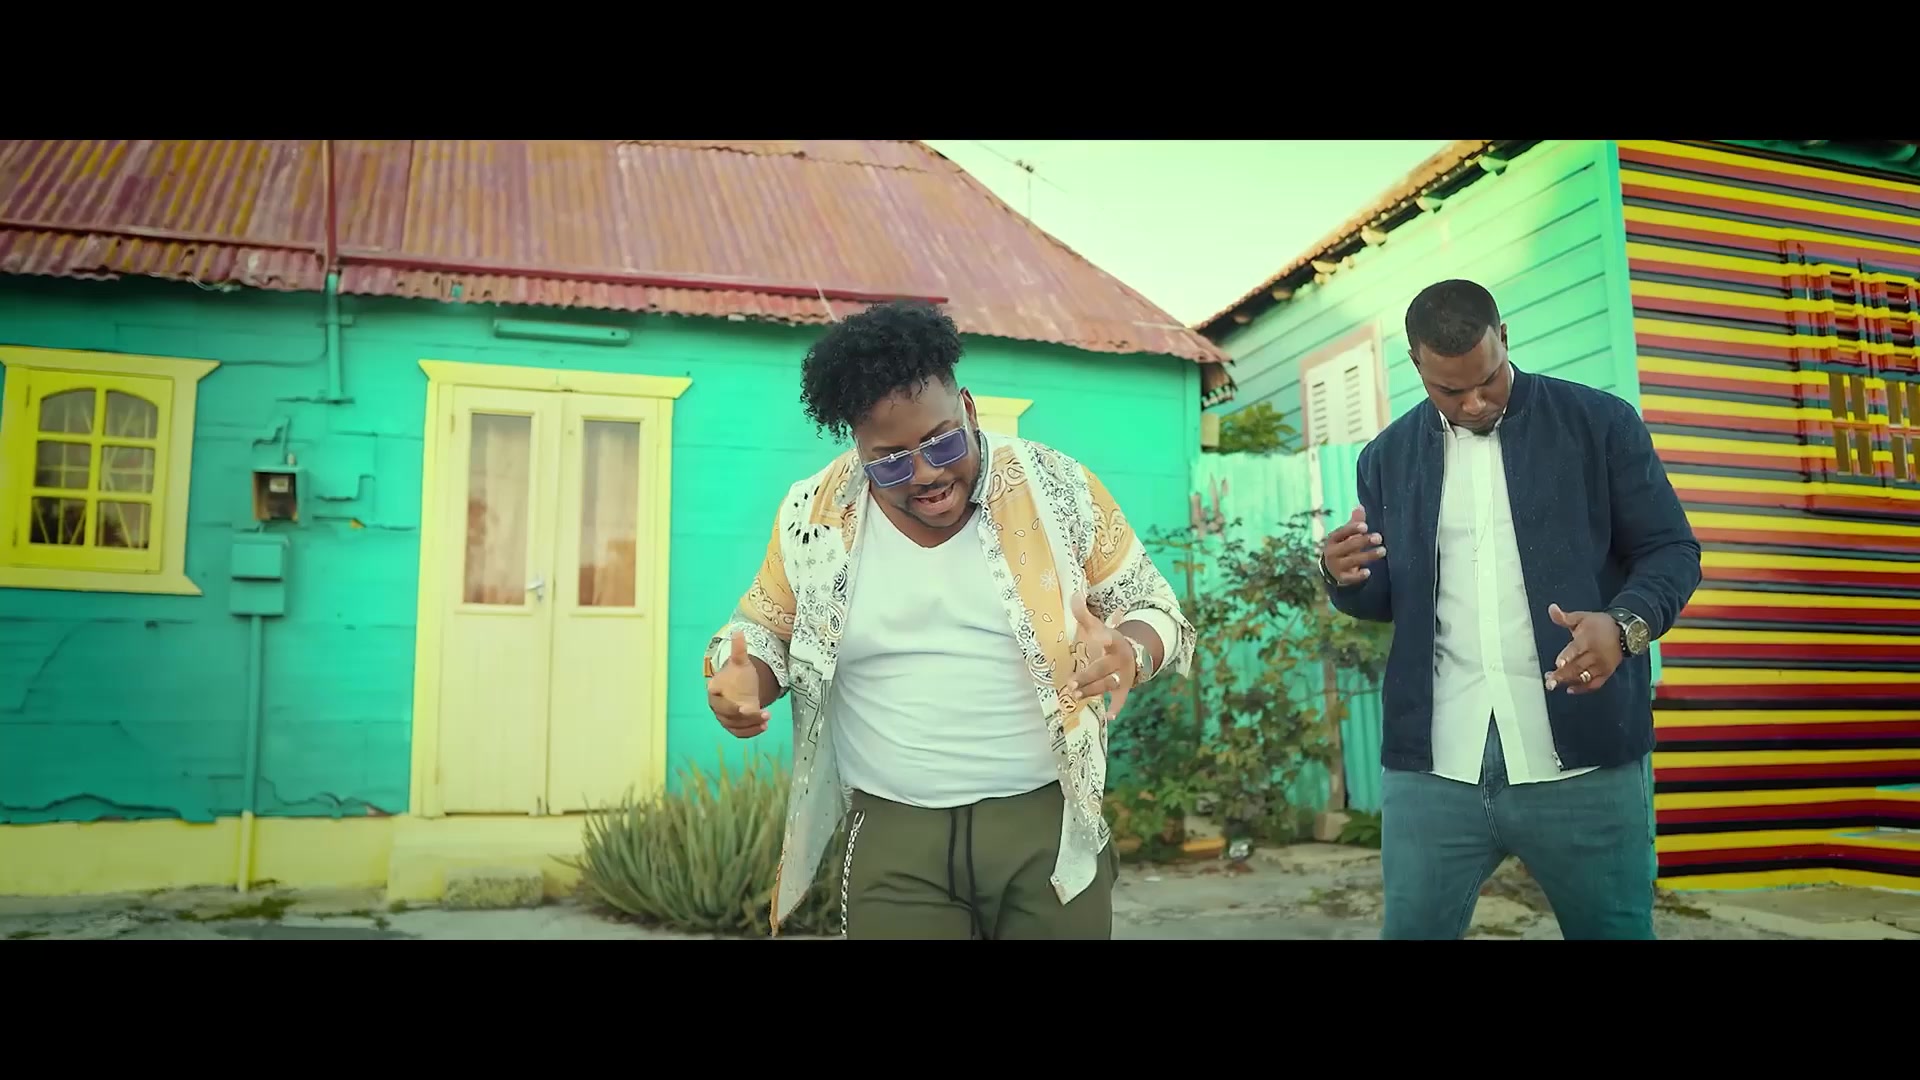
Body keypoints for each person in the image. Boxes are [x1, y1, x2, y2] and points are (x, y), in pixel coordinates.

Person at [703, 300, 1195, 939]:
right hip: (895, 840)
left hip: (1048, 830)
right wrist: (742, 681)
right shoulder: (814, 515)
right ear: (858, 447)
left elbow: (1153, 606)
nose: (927, 474)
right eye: (891, 460)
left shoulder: (1058, 486)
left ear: (967, 407)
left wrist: (1131, 650)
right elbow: (763, 633)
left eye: (942, 441)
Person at [1319, 278, 1701, 940]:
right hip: (1434, 768)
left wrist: (1623, 626)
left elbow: (1672, 551)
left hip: (1584, 762)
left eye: (1488, 380)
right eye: (1449, 391)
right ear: (1416, 365)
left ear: (1504, 338)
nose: (1473, 402)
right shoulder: (1385, 458)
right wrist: (1343, 575)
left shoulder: (1599, 424)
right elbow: (1388, 598)